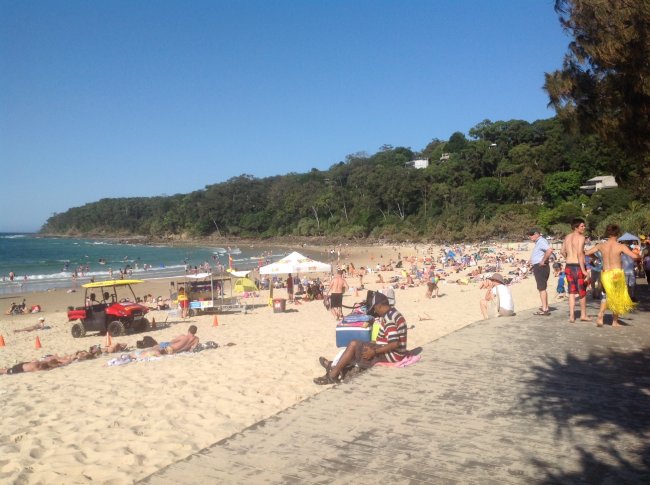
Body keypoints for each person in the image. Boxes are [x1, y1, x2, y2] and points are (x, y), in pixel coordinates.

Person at [313, 292, 407, 385]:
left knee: (353, 345)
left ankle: (332, 375)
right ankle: (333, 366)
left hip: (391, 355)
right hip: (392, 352)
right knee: (357, 346)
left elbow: (394, 343)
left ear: (380, 306)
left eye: (375, 309)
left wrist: (374, 352)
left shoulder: (389, 318)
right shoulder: (393, 313)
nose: (375, 311)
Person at [585, 224, 640, 327]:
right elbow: (634, 256)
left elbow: (587, 253)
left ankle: (600, 317)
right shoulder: (621, 246)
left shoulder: (601, 245)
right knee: (617, 296)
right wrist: (639, 255)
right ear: (617, 233)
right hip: (617, 274)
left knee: (605, 296)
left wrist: (595, 259)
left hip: (606, 273)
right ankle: (615, 322)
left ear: (607, 233)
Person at [561, 218, 592, 323]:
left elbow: (562, 251)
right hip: (578, 266)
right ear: (576, 227)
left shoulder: (567, 237)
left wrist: (568, 258)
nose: (584, 228)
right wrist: (584, 270)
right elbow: (580, 253)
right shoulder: (581, 238)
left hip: (568, 266)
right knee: (582, 292)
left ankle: (572, 316)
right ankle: (583, 315)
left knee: (571, 291)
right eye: (582, 226)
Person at [528, 229, 554, 315]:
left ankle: (545, 309)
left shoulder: (541, 241)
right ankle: (545, 307)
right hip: (540, 266)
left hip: (541, 267)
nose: (529, 236)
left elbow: (549, 250)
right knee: (542, 288)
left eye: (531, 234)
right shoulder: (539, 242)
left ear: (536, 234)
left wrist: (543, 260)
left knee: (541, 288)